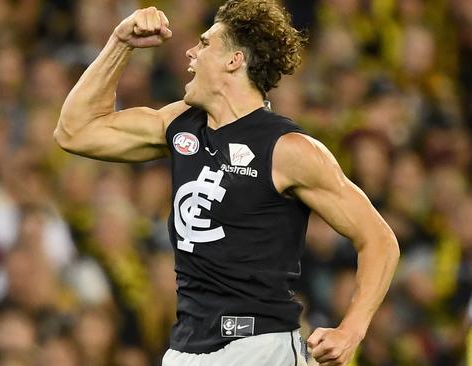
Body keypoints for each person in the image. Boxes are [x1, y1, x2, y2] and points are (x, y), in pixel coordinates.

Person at [54, 1, 399, 365]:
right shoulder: (182, 123)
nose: (190, 51)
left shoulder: (288, 149)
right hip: (185, 348)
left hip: (260, 347)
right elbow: (75, 132)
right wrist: (119, 43)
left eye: (204, 44)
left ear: (234, 60)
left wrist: (351, 329)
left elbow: (379, 240)